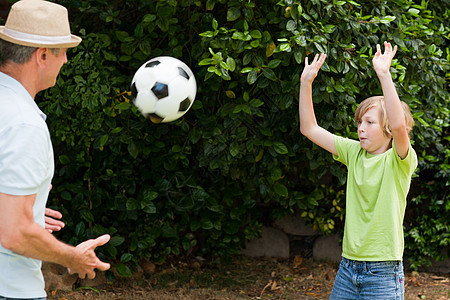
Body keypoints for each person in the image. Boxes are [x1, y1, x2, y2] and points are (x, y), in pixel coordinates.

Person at [0, 1, 110, 299]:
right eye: (63, 53)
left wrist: (17, 207)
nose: (65, 62)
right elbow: (14, 233)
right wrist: (72, 257)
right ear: (43, 55)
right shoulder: (24, 124)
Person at [299, 41, 417, 299]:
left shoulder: (399, 161)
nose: (360, 128)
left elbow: (399, 126)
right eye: (359, 122)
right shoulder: (354, 153)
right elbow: (309, 129)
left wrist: (384, 75)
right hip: (348, 267)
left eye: (369, 122)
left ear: (386, 129)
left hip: (383, 274)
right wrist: (306, 84)